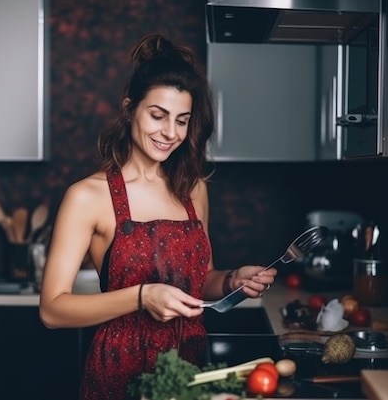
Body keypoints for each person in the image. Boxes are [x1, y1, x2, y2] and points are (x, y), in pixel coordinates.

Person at [38, 34, 277, 400]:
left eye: (182, 121)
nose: (170, 133)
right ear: (129, 108)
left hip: (187, 371)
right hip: (117, 374)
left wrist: (231, 280)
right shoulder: (88, 196)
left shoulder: (192, 187)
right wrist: (141, 297)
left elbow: (202, 279)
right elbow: (53, 310)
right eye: (157, 115)